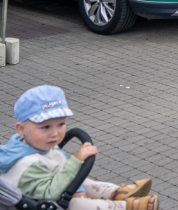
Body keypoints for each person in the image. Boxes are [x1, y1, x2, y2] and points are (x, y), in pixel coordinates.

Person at [0, 86, 158, 210]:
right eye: (45, 127)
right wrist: (76, 161)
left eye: (61, 124)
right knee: (78, 205)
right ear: (21, 129)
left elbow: (61, 173)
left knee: (85, 182)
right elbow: (50, 194)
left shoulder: (32, 143)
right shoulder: (27, 165)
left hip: (53, 186)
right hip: (41, 202)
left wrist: (79, 188)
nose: (55, 134)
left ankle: (116, 193)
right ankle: (125, 206)